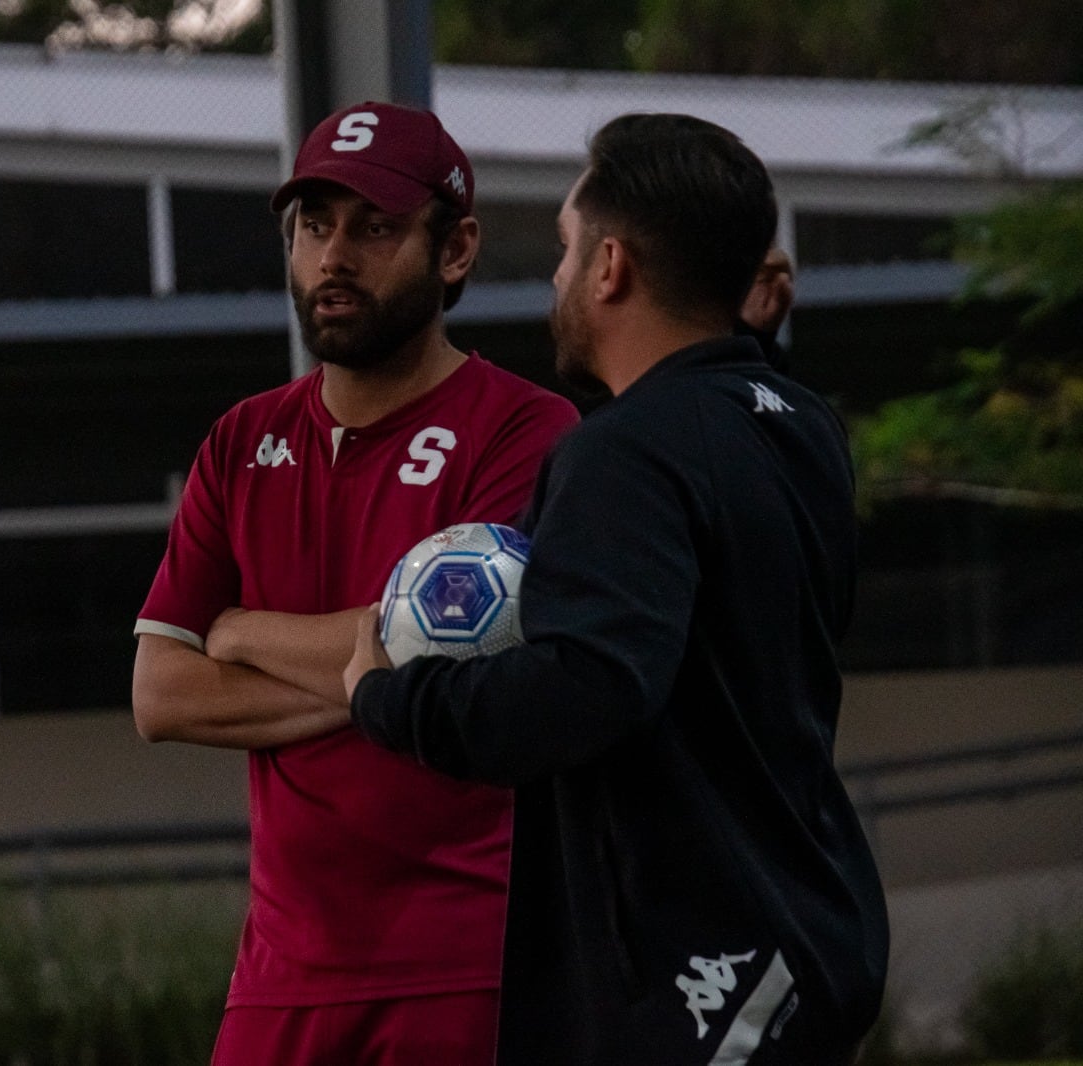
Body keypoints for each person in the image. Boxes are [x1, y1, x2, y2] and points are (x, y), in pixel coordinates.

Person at [345, 113, 889, 1066]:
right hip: (809, 931)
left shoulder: (623, 453)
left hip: (701, 982)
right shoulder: (799, 423)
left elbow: (584, 687)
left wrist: (387, 697)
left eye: (563, 248)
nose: (554, 277)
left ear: (611, 268)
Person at [131, 100, 581, 1065]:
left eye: (375, 228)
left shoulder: (528, 433)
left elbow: (467, 658)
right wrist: (379, 676)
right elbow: (160, 695)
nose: (334, 257)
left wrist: (244, 630)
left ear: (454, 249)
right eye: (314, 225)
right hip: (279, 979)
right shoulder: (242, 440)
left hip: (469, 962)